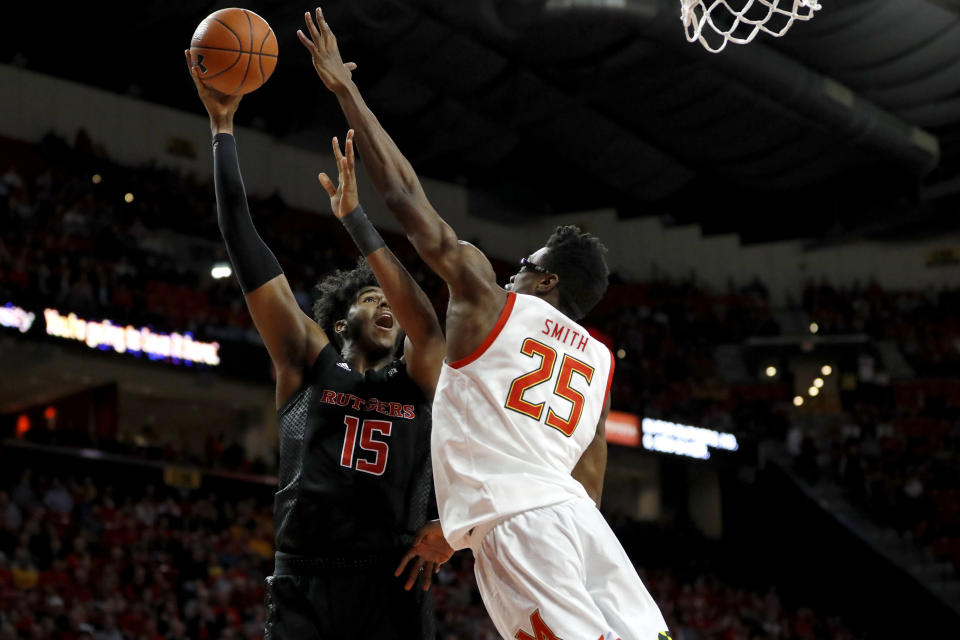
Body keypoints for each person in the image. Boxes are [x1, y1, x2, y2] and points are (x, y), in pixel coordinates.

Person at [298, 8, 670, 640]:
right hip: (583, 528)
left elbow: (409, 198)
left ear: (547, 281)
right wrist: (460, 521)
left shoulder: (490, 302)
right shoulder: (601, 364)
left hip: (523, 532)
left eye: (527, 265)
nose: (513, 271)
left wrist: (346, 90)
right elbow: (588, 480)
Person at [185, 49, 451, 640]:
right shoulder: (308, 362)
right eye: (370, 300)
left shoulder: (421, 374)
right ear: (339, 324)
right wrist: (222, 128)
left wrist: (356, 219)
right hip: (303, 577)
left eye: (391, 302)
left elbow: (427, 325)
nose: (386, 305)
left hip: (392, 582)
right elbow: (240, 234)